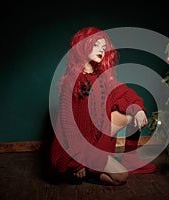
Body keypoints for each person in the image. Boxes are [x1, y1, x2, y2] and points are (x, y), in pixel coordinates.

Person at [50, 26, 156, 186]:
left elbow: (127, 94)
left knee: (133, 113)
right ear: (83, 45)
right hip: (78, 145)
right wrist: (77, 161)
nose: (101, 50)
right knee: (121, 177)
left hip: (97, 137)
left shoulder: (103, 78)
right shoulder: (72, 81)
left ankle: (128, 160)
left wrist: (138, 109)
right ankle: (83, 168)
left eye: (104, 47)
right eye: (96, 45)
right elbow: (69, 127)